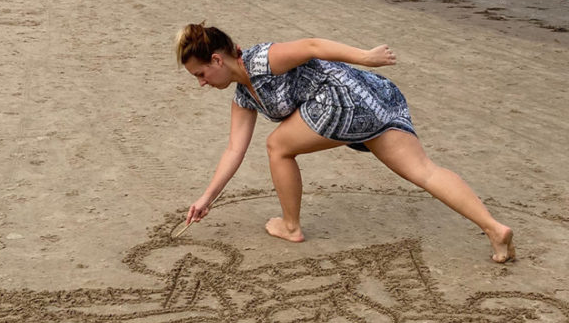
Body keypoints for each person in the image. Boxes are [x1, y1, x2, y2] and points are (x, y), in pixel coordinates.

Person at [175, 23, 515, 263]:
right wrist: (206, 198)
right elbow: (234, 150)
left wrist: (365, 56)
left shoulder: (261, 59)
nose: (202, 83)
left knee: (278, 146)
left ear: (217, 60)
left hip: (344, 99)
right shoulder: (244, 98)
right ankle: (495, 229)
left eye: (201, 74)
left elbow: (311, 46)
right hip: (370, 101)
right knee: (423, 171)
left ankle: (291, 226)